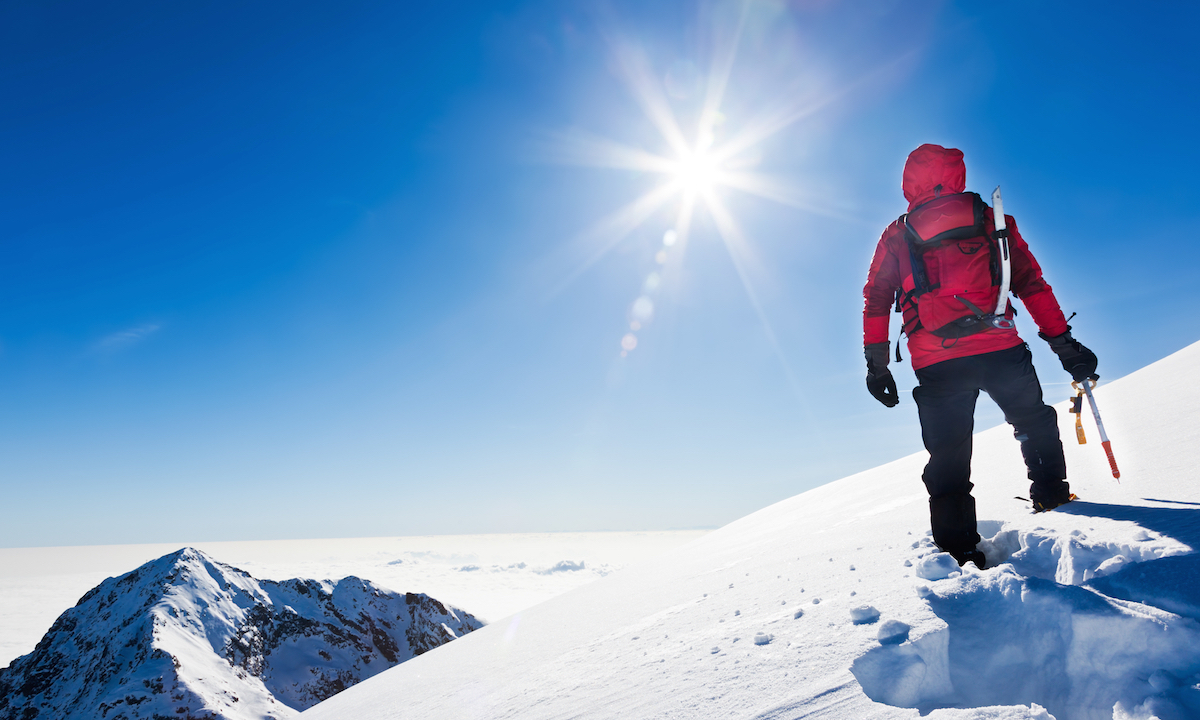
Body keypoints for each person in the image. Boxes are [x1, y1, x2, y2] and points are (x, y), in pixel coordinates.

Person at [861, 144, 1099, 569]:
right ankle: (1052, 498)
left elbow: (876, 300)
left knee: (949, 453)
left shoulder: (897, 233)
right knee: (1032, 421)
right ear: (957, 173)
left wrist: (876, 364)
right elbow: (1031, 283)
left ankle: (959, 553)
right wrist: (1063, 343)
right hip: (999, 346)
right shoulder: (991, 218)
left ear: (908, 181)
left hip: (936, 360)